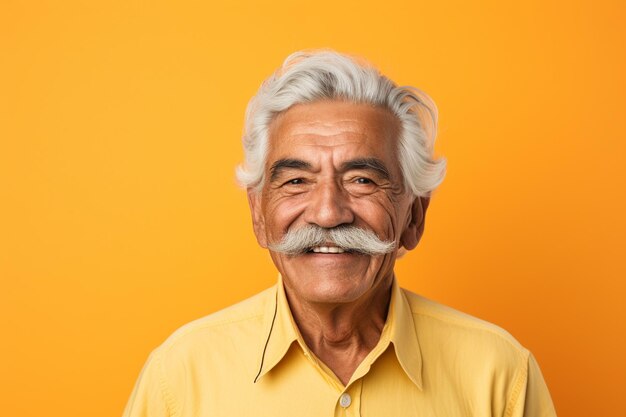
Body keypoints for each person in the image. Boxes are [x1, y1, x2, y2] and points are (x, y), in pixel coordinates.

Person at [123, 50, 557, 417]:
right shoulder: (179, 377)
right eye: (295, 181)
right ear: (258, 213)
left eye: (362, 180)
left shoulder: (500, 376)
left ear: (413, 218)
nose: (328, 213)